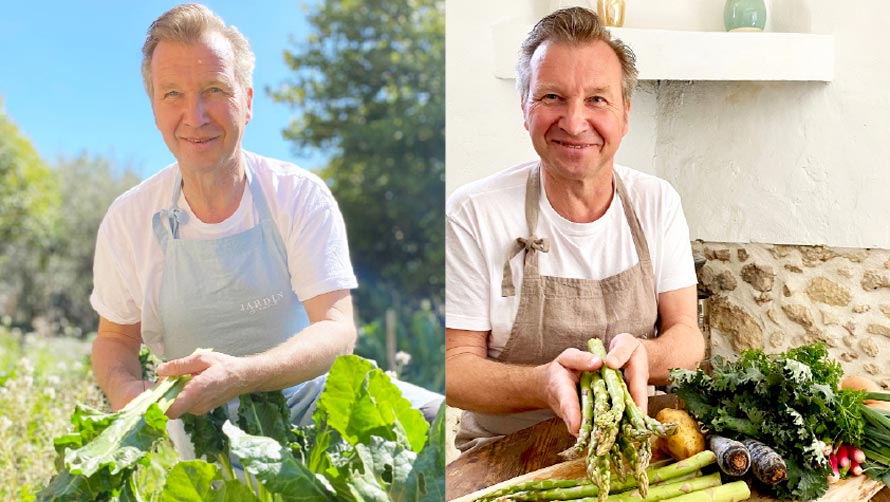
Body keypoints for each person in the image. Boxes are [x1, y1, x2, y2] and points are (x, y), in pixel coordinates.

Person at [90, 3, 441, 428]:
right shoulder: (129, 220)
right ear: (154, 108)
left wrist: (239, 376)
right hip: (210, 440)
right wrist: (129, 396)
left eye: (215, 90)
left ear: (248, 101)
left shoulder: (296, 194)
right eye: (173, 94)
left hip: (323, 409)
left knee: (443, 420)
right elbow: (114, 341)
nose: (195, 116)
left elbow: (337, 329)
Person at [445, 7, 704, 452]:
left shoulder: (656, 202)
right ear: (524, 108)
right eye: (552, 97)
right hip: (503, 452)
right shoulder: (474, 212)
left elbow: (687, 338)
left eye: (597, 100)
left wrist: (647, 354)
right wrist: (543, 383)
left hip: (632, 446)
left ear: (625, 112)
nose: (574, 121)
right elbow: (453, 368)